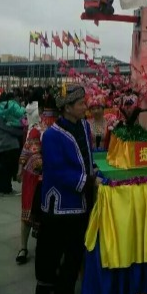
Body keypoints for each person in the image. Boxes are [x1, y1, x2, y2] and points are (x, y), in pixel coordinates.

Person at [35, 85, 100, 294]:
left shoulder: (85, 127)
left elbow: (87, 157)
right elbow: (58, 172)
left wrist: (95, 171)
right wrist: (89, 181)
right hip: (60, 208)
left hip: (81, 206)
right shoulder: (52, 135)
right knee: (50, 257)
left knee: (73, 258)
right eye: (81, 103)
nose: (85, 107)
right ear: (68, 108)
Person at [16, 92, 45, 265]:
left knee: (44, 216)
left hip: (50, 178)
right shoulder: (36, 129)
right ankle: (23, 247)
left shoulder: (59, 129)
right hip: (32, 177)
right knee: (27, 213)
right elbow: (27, 149)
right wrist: (20, 168)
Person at [0, 93, 24, 195]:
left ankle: (6, 188)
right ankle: (6, 189)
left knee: (4, 168)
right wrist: (20, 131)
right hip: (8, 143)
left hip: (4, 144)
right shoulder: (6, 114)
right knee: (7, 169)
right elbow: (8, 128)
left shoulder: (4, 113)